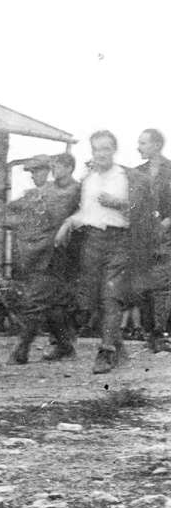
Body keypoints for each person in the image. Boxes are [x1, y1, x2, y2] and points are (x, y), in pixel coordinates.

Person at [56, 130, 158, 374]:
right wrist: (68, 223)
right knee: (94, 300)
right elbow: (86, 213)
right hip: (92, 241)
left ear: (114, 150)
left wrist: (120, 204)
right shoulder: (89, 180)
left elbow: (145, 210)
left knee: (111, 297)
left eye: (106, 149)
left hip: (120, 241)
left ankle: (106, 352)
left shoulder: (128, 178)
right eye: (96, 149)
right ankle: (119, 349)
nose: (101, 154)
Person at [3, 155, 83, 363]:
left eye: (40, 171)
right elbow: (10, 212)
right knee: (53, 304)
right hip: (38, 254)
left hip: (60, 255)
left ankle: (21, 349)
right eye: (32, 172)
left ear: (66, 168)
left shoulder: (75, 191)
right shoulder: (40, 193)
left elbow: (72, 215)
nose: (35, 176)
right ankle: (65, 346)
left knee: (36, 300)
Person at [134, 129, 171, 353]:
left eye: (143, 143)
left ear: (157, 145)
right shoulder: (136, 173)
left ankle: (162, 334)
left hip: (166, 238)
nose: (139, 147)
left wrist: (167, 223)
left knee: (164, 286)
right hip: (142, 237)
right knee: (143, 286)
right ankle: (150, 334)